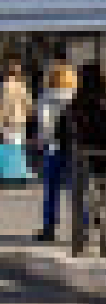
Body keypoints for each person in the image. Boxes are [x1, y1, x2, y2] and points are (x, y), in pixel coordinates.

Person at [44, 63, 106, 248]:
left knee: (79, 196)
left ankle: (79, 236)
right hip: (101, 158)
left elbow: (60, 132)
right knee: (99, 198)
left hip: (80, 156)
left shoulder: (75, 105)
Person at [35, 63, 79, 241]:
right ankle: (82, 227)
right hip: (75, 147)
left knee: (51, 189)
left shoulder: (46, 97)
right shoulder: (76, 95)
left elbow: (44, 124)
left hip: (54, 146)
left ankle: (49, 228)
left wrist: (42, 142)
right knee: (77, 189)